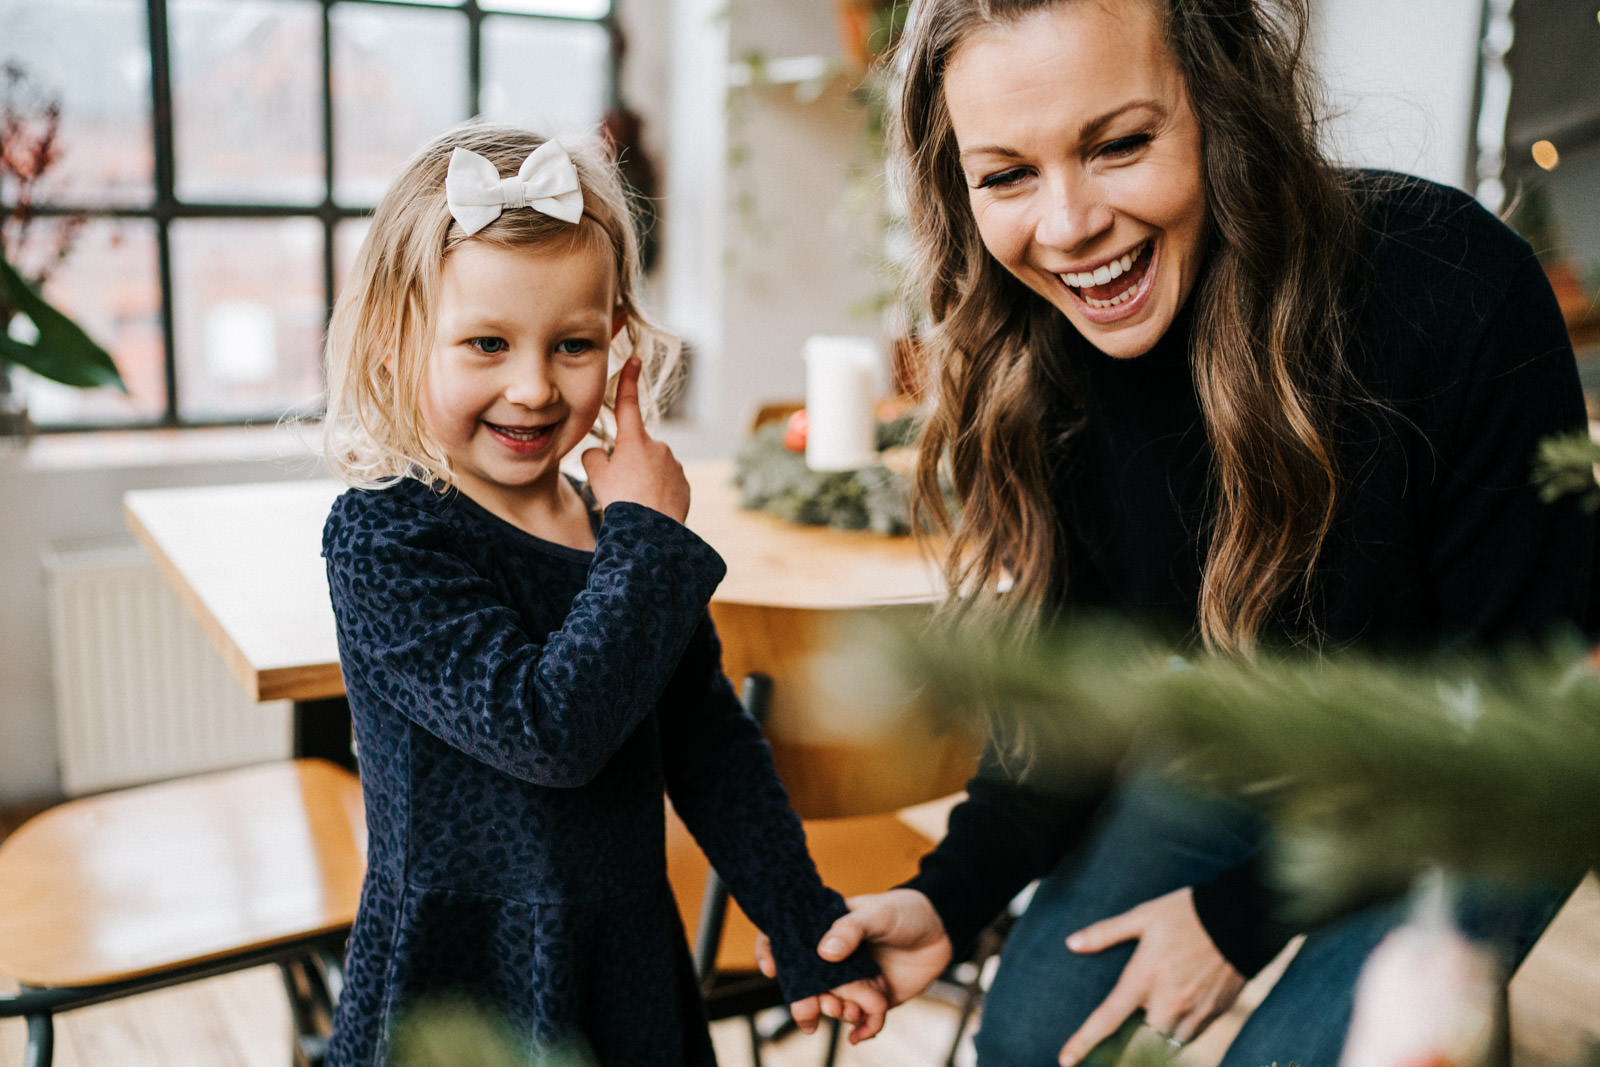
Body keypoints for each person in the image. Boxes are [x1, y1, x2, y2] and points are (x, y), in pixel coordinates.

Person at [756, 0, 1597, 1064]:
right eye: (1006, 173)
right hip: (1257, 729)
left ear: (1221, 107)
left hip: (1488, 772)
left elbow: (1517, 698)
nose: (1066, 227)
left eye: (1119, 144)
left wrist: (1230, 921)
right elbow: (1078, 669)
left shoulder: (1455, 287)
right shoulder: (1042, 362)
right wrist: (947, 894)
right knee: (1028, 1034)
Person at [318, 120, 886, 1065]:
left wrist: (801, 921)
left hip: (622, 962)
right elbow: (549, 732)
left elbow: (709, 745)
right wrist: (648, 538)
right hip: (462, 976)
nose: (534, 386)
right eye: (487, 343)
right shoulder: (386, 537)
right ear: (394, 341)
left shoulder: (615, 534)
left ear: (619, 343)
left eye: (573, 344)